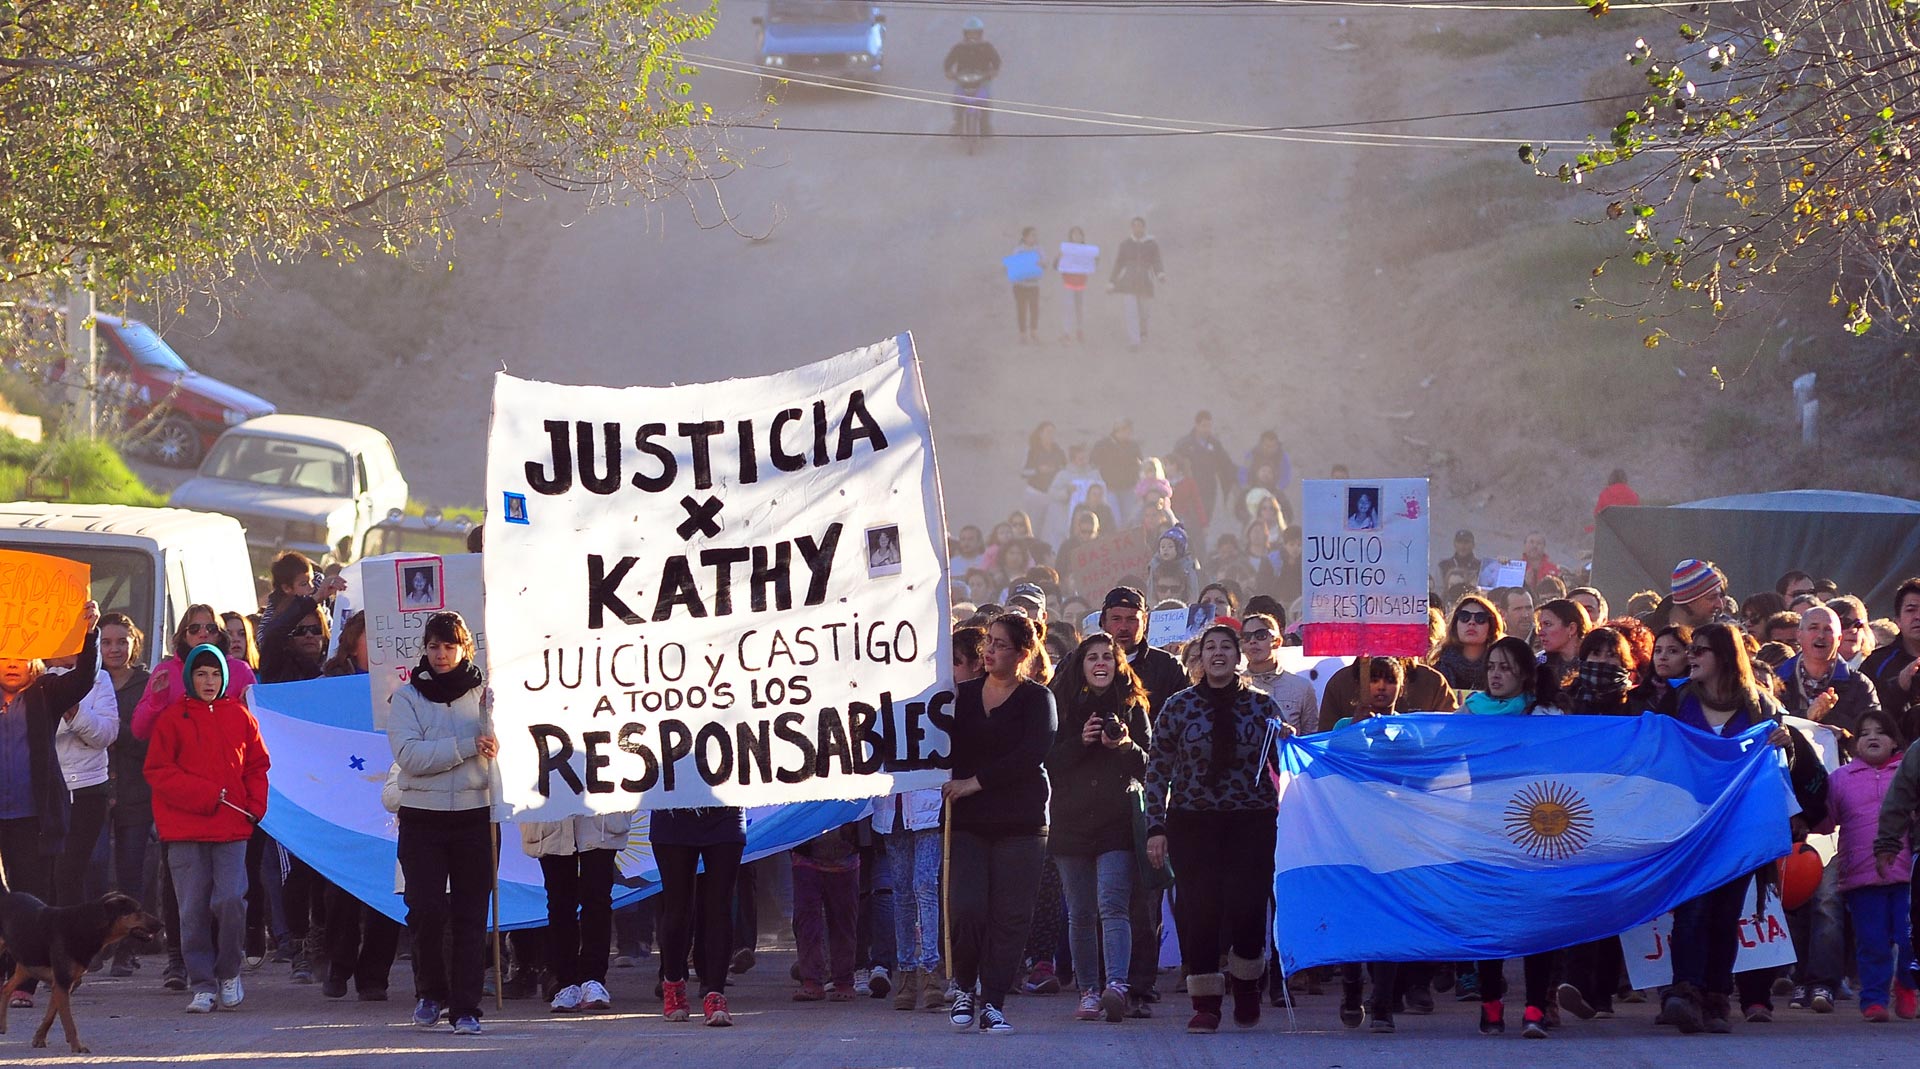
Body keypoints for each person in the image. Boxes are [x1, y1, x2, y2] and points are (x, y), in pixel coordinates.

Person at [1146, 625, 1286, 1033]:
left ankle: (1246, 988)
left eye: (1227, 646)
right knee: (1200, 910)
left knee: (1246, 908)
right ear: (1200, 657)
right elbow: (1157, 771)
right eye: (1210, 647)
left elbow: (1285, 765)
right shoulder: (1177, 706)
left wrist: (1290, 743)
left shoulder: (1263, 708)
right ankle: (1205, 1002)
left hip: (1252, 821)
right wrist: (1155, 825)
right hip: (1193, 821)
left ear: (1239, 656)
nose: (1218, 653)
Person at [1656, 622, 1794, 1033]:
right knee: (1693, 910)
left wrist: (1785, 748)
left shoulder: (1761, 708)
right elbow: (1657, 755)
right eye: (1691, 650)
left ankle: (1716, 999)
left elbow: (1783, 773)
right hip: (1690, 827)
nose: (1691, 656)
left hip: (1738, 831)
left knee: (1723, 914)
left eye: (1701, 650)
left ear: (1725, 656)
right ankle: (1684, 993)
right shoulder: (1678, 701)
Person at [388, 611, 500, 1036]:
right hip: (422, 820)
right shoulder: (407, 698)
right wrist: (467, 747)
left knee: (472, 915)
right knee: (426, 911)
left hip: (476, 814)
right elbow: (410, 758)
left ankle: (466, 1006)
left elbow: (507, 748)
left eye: (449, 646)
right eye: (434, 646)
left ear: (465, 648)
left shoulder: (488, 696)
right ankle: (430, 992)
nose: (440, 654)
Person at [943, 613, 1054, 1036]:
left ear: (1023, 653)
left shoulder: (1037, 699)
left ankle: (993, 1002)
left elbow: (1032, 753)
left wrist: (977, 782)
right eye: (988, 642)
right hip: (968, 822)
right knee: (967, 908)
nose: (989, 650)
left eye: (1000, 644)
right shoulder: (959, 696)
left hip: (1021, 822)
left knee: (1010, 917)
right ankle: (964, 989)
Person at [145, 641, 269, 1014]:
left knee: (231, 900)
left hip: (232, 825)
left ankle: (229, 972)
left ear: (225, 676)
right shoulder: (171, 719)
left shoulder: (242, 717)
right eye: (201, 673)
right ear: (189, 677)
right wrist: (205, 794)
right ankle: (202, 983)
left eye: (215, 673)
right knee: (192, 910)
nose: (209, 680)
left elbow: (258, 766)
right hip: (183, 830)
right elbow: (157, 771)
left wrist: (255, 807)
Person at [1455, 636, 1557, 1036]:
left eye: (1505, 668)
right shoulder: (1470, 711)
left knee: (1538, 922)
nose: (1496, 675)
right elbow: (1433, 747)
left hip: (1535, 831)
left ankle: (1535, 1008)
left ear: (1525, 674)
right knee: (1491, 922)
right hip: (1483, 828)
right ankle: (1491, 1004)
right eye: (1491, 667)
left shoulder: (1546, 715)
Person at [1046, 633, 1150, 1023]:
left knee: (1112, 904)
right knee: (1080, 911)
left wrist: (1122, 746)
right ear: (1081, 665)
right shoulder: (1061, 706)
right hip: (1070, 823)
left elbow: (1149, 762)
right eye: (1093, 656)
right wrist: (1081, 741)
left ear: (1119, 663)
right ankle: (1088, 990)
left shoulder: (1132, 706)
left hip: (1116, 822)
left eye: (1109, 656)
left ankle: (1117, 986)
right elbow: (1046, 762)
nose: (1101, 662)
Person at [0, 600, 100, 1006]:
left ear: (35, 661)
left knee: (29, 899)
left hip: (30, 816)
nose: (12, 664)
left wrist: (89, 634)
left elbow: (84, 679)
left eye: (21, 656)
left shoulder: (46, 694)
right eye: (5, 655)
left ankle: (22, 984)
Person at [319, 610, 400, 1002]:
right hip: (344, 803)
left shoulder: (404, 683)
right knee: (342, 889)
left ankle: (374, 976)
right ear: (353, 640)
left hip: (388, 801)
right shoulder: (330, 683)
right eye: (373, 638)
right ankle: (338, 964)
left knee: (386, 887)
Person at [1819, 709, 1916, 1021]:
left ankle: (1906, 987)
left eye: (1880, 731)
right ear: (1854, 744)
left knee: (1909, 938)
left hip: (1907, 875)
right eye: (1864, 733)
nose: (1872, 737)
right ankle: (1873, 1000)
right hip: (1861, 876)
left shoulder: (1908, 773)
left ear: (1894, 741)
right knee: (1872, 942)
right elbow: (1824, 821)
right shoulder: (1840, 780)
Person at [650, 798, 745, 1027]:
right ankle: (673, 984)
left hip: (725, 810)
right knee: (677, 907)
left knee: (720, 905)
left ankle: (716, 994)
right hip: (673, 810)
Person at [98, 613, 154, 976]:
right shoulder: (87, 681)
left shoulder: (148, 684)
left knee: (132, 873)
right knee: (95, 870)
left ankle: (127, 951)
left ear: (134, 642)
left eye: (121, 641)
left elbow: (150, 740)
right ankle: (95, 944)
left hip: (136, 791)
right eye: (106, 642)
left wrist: (113, 728)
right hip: (94, 791)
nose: (114, 649)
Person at [51, 642, 119, 906]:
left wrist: (75, 711)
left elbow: (106, 734)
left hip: (88, 790)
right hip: (44, 789)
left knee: (70, 873)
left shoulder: (99, 678)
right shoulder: (32, 677)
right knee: (44, 877)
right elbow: (32, 731)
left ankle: (71, 943)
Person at [1778, 604, 1881, 734]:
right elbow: (1765, 725)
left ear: (1839, 639)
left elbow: (1874, 736)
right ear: (1799, 635)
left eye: (1828, 630)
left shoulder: (1860, 685)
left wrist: (1836, 729)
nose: (1821, 635)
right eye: (1813, 628)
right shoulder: (1777, 680)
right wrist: (1806, 716)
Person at [1241, 613, 1317, 735]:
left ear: (1277, 641)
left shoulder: (1301, 688)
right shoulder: (1235, 686)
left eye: (1261, 635)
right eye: (1247, 637)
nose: (1253, 641)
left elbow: (1309, 740)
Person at [1863, 577, 1920, 738]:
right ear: (1898, 621)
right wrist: (1898, 687)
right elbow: (1865, 718)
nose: (1918, 616)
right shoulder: (1876, 663)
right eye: (1911, 609)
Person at [1109, 217, 1165, 350]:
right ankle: (1134, 341)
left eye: (1140, 226)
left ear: (1144, 228)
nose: (1137, 228)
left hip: (1145, 281)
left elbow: (1157, 261)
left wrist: (1160, 274)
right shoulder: (1125, 244)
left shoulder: (1152, 244)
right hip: (1129, 282)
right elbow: (1118, 263)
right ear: (1131, 228)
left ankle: (1143, 331)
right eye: (1135, 226)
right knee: (1131, 312)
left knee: (1144, 312)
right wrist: (1112, 280)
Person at [1433, 594, 1504, 695]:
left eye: (1480, 618)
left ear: (1491, 627)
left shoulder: (1504, 669)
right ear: (1455, 625)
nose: (1471, 622)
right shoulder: (1438, 668)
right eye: (1464, 617)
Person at [942, 16, 999, 134]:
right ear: (965, 34)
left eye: (975, 33)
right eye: (970, 33)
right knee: (957, 100)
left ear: (980, 34)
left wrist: (994, 71)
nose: (972, 36)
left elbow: (996, 60)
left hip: (982, 79)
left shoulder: (986, 47)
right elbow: (948, 61)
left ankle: (986, 126)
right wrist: (948, 72)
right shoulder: (959, 47)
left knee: (985, 100)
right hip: (962, 79)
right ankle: (957, 123)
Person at [1534, 598, 1592, 693]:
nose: (1540, 633)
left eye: (1548, 624)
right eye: (1540, 626)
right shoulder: (1540, 662)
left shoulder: (1593, 662)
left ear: (1571, 628)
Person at [1055, 227, 1098, 345]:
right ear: (1071, 237)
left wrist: (1095, 259)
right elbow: (1056, 266)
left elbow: (1093, 266)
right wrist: (1058, 257)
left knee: (1079, 309)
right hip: (1068, 283)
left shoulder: (1087, 251)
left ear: (1083, 237)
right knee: (1068, 309)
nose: (1077, 237)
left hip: (1081, 284)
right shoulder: (1065, 250)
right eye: (1074, 235)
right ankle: (1067, 333)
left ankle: (1080, 330)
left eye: (1079, 235)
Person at [1670, 559, 1729, 629]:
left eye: (1720, 596)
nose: (1720, 605)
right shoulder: (1656, 636)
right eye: (1712, 598)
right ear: (1689, 601)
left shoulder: (1725, 634)